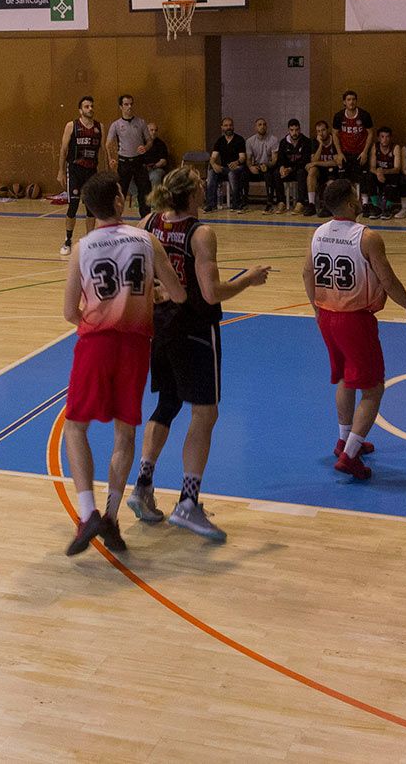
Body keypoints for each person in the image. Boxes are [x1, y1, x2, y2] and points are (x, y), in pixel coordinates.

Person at [127, 167, 270, 541]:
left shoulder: (148, 222)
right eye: (199, 181)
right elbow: (211, 293)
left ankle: (142, 485)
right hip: (194, 329)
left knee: (167, 404)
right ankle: (188, 504)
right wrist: (249, 279)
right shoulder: (201, 233)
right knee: (205, 412)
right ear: (190, 194)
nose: (205, 184)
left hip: (159, 325)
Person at [61, 174, 185, 556]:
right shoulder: (146, 240)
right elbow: (178, 294)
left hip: (96, 345)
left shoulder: (82, 247)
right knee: (124, 434)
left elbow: (69, 313)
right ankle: (112, 516)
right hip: (135, 345)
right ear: (118, 201)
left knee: (75, 428)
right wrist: (151, 294)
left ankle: (88, 514)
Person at [304, 179, 406, 480]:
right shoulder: (367, 237)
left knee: (344, 377)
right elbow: (388, 279)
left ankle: (345, 439)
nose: (358, 200)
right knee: (373, 387)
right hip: (354, 319)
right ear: (349, 203)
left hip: (327, 315)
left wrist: (316, 307)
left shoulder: (318, 233)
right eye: (355, 196)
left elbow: (307, 272)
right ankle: (350, 455)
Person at [57, 96, 101, 256]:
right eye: (86, 106)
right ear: (80, 110)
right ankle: (68, 240)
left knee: (91, 208)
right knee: (73, 206)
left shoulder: (99, 127)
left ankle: (90, 241)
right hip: (75, 170)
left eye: (91, 106)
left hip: (91, 172)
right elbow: (63, 150)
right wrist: (61, 171)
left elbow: (103, 151)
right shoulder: (72, 126)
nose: (90, 109)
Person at [105, 94, 153, 219]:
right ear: (121, 106)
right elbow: (108, 143)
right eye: (126, 104)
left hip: (139, 161)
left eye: (131, 104)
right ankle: (116, 218)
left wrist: (145, 148)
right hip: (124, 162)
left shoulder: (141, 122)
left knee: (145, 191)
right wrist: (111, 158)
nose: (129, 107)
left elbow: (149, 141)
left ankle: (146, 220)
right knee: (120, 192)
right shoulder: (116, 125)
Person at [205, 117, 247, 213]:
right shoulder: (220, 141)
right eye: (226, 125)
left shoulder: (239, 139)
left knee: (232, 173)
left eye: (230, 125)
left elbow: (242, 157)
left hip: (237, 167)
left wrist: (236, 162)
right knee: (211, 173)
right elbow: (213, 157)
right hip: (224, 168)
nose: (229, 127)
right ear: (222, 128)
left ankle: (237, 204)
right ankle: (210, 204)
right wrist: (214, 165)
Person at [331, 90, 374, 179]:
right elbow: (334, 134)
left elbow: (370, 133)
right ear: (344, 102)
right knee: (344, 181)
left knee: (362, 181)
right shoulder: (338, 116)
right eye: (349, 99)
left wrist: (365, 152)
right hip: (345, 153)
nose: (351, 102)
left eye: (354, 99)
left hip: (360, 153)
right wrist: (339, 153)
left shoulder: (364, 115)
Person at [244, 117, 283, 214]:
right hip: (256, 166)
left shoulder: (273, 139)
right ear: (255, 127)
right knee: (243, 172)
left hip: (269, 166)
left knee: (270, 174)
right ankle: (243, 201)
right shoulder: (250, 141)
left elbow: (274, 160)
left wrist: (267, 165)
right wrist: (250, 167)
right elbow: (248, 159)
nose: (262, 127)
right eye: (260, 125)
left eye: (264, 124)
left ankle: (270, 202)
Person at [362, 126, 401, 219]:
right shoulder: (375, 147)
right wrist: (378, 173)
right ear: (378, 138)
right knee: (369, 176)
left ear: (391, 138)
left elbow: (397, 168)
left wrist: (382, 171)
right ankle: (376, 207)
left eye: (387, 137)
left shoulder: (395, 147)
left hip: (390, 175)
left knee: (397, 177)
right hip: (379, 175)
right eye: (382, 137)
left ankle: (388, 207)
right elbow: (372, 167)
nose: (385, 139)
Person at [307, 119, 345, 216]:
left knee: (331, 181)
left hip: (334, 171)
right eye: (319, 131)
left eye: (323, 130)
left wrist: (317, 163)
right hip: (321, 171)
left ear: (328, 130)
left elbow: (336, 162)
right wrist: (320, 145)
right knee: (312, 171)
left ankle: (327, 207)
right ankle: (311, 204)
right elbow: (313, 161)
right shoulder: (315, 142)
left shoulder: (334, 141)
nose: (321, 133)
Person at [276, 119, 313, 215]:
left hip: (298, 170)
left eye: (296, 130)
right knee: (276, 173)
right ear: (288, 130)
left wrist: (290, 169)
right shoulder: (283, 142)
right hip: (287, 171)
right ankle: (281, 202)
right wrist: (281, 167)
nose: (294, 132)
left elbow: (305, 161)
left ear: (300, 129)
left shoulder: (306, 142)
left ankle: (300, 202)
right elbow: (280, 159)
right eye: (292, 130)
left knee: (301, 173)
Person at [142, 122, 172, 194]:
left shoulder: (160, 144)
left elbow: (163, 161)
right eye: (151, 130)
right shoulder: (140, 142)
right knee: (129, 176)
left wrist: (153, 166)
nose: (154, 132)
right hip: (142, 169)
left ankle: (154, 198)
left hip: (156, 168)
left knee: (155, 176)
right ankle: (139, 197)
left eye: (155, 130)